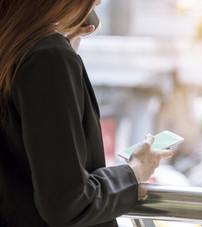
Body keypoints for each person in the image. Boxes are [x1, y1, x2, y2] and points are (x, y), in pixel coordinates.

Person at [0, 0, 173, 226]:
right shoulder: (49, 56)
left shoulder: (14, 49)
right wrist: (135, 170)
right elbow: (68, 203)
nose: (97, 4)